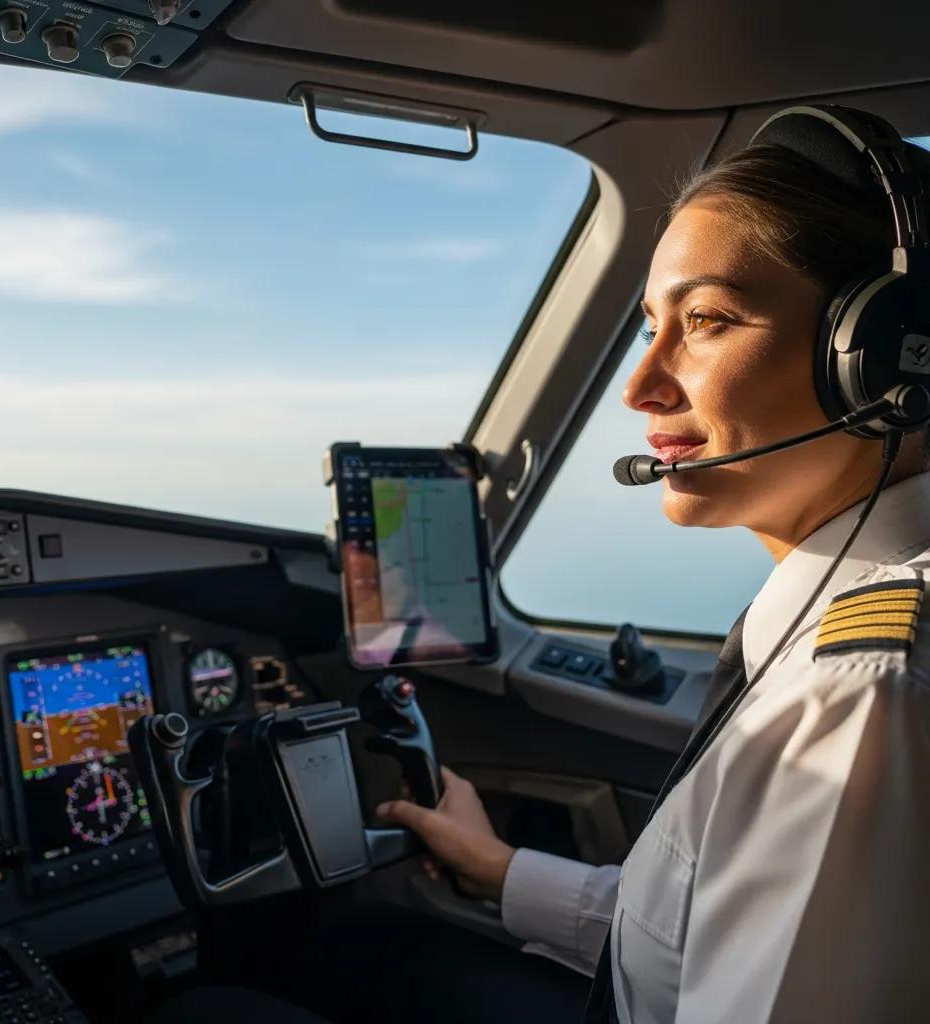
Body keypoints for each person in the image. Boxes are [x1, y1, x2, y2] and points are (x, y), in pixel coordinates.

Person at [376, 105, 930, 1023]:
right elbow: (707, 943)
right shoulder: (823, 629)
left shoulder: (861, 693)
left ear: (880, 357)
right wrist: (503, 871)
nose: (640, 385)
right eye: (649, 325)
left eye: (706, 319)